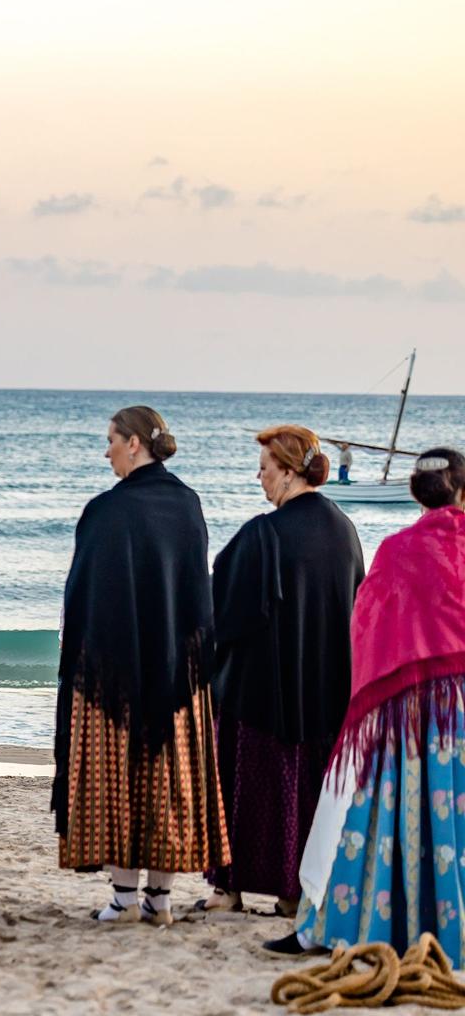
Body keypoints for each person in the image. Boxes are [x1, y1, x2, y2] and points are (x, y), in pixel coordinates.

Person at [269, 449, 465, 960]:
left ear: (415, 493)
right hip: (458, 711)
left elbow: (367, 622)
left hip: (403, 709)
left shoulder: (398, 549)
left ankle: (358, 922)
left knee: (376, 816)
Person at [52, 406, 226, 926]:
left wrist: (81, 667)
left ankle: (125, 900)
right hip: (178, 675)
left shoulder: (106, 511)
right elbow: (198, 596)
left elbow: (86, 600)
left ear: (133, 444)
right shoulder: (188, 505)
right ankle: (160, 900)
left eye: (110, 440)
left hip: (115, 679)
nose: (106, 451)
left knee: (119, 783)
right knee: (169, 782)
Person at [203, 426, 363, 917]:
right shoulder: (344, 530)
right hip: (325, 693)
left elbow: (223, 611)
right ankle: (294, 893)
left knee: (246, 792)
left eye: (265, 469)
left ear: (290, 472)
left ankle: (228, 890)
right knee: (307, 795)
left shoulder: (263, 534)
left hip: (261, 693)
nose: (259, 478)